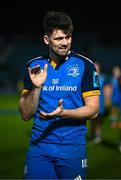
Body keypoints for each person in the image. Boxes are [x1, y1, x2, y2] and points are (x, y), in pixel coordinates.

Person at [19, 11, 100, 180]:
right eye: (59, 39)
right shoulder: (34, 66)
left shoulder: (85, 65)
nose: (65, 43)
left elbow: (93, 110)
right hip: (39, 148)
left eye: (68, 37)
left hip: (72, 148)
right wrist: (36, 88)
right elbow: (26, 114)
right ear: (46, 40)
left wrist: (64, 113)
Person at [89, 62, 106, 144]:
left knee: (99, 121)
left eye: (97, 66)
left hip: (101, 102)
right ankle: (93, 135)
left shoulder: (102, 77)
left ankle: (98, 136)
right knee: (93, 120)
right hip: (93, 102)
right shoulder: (91, 77)